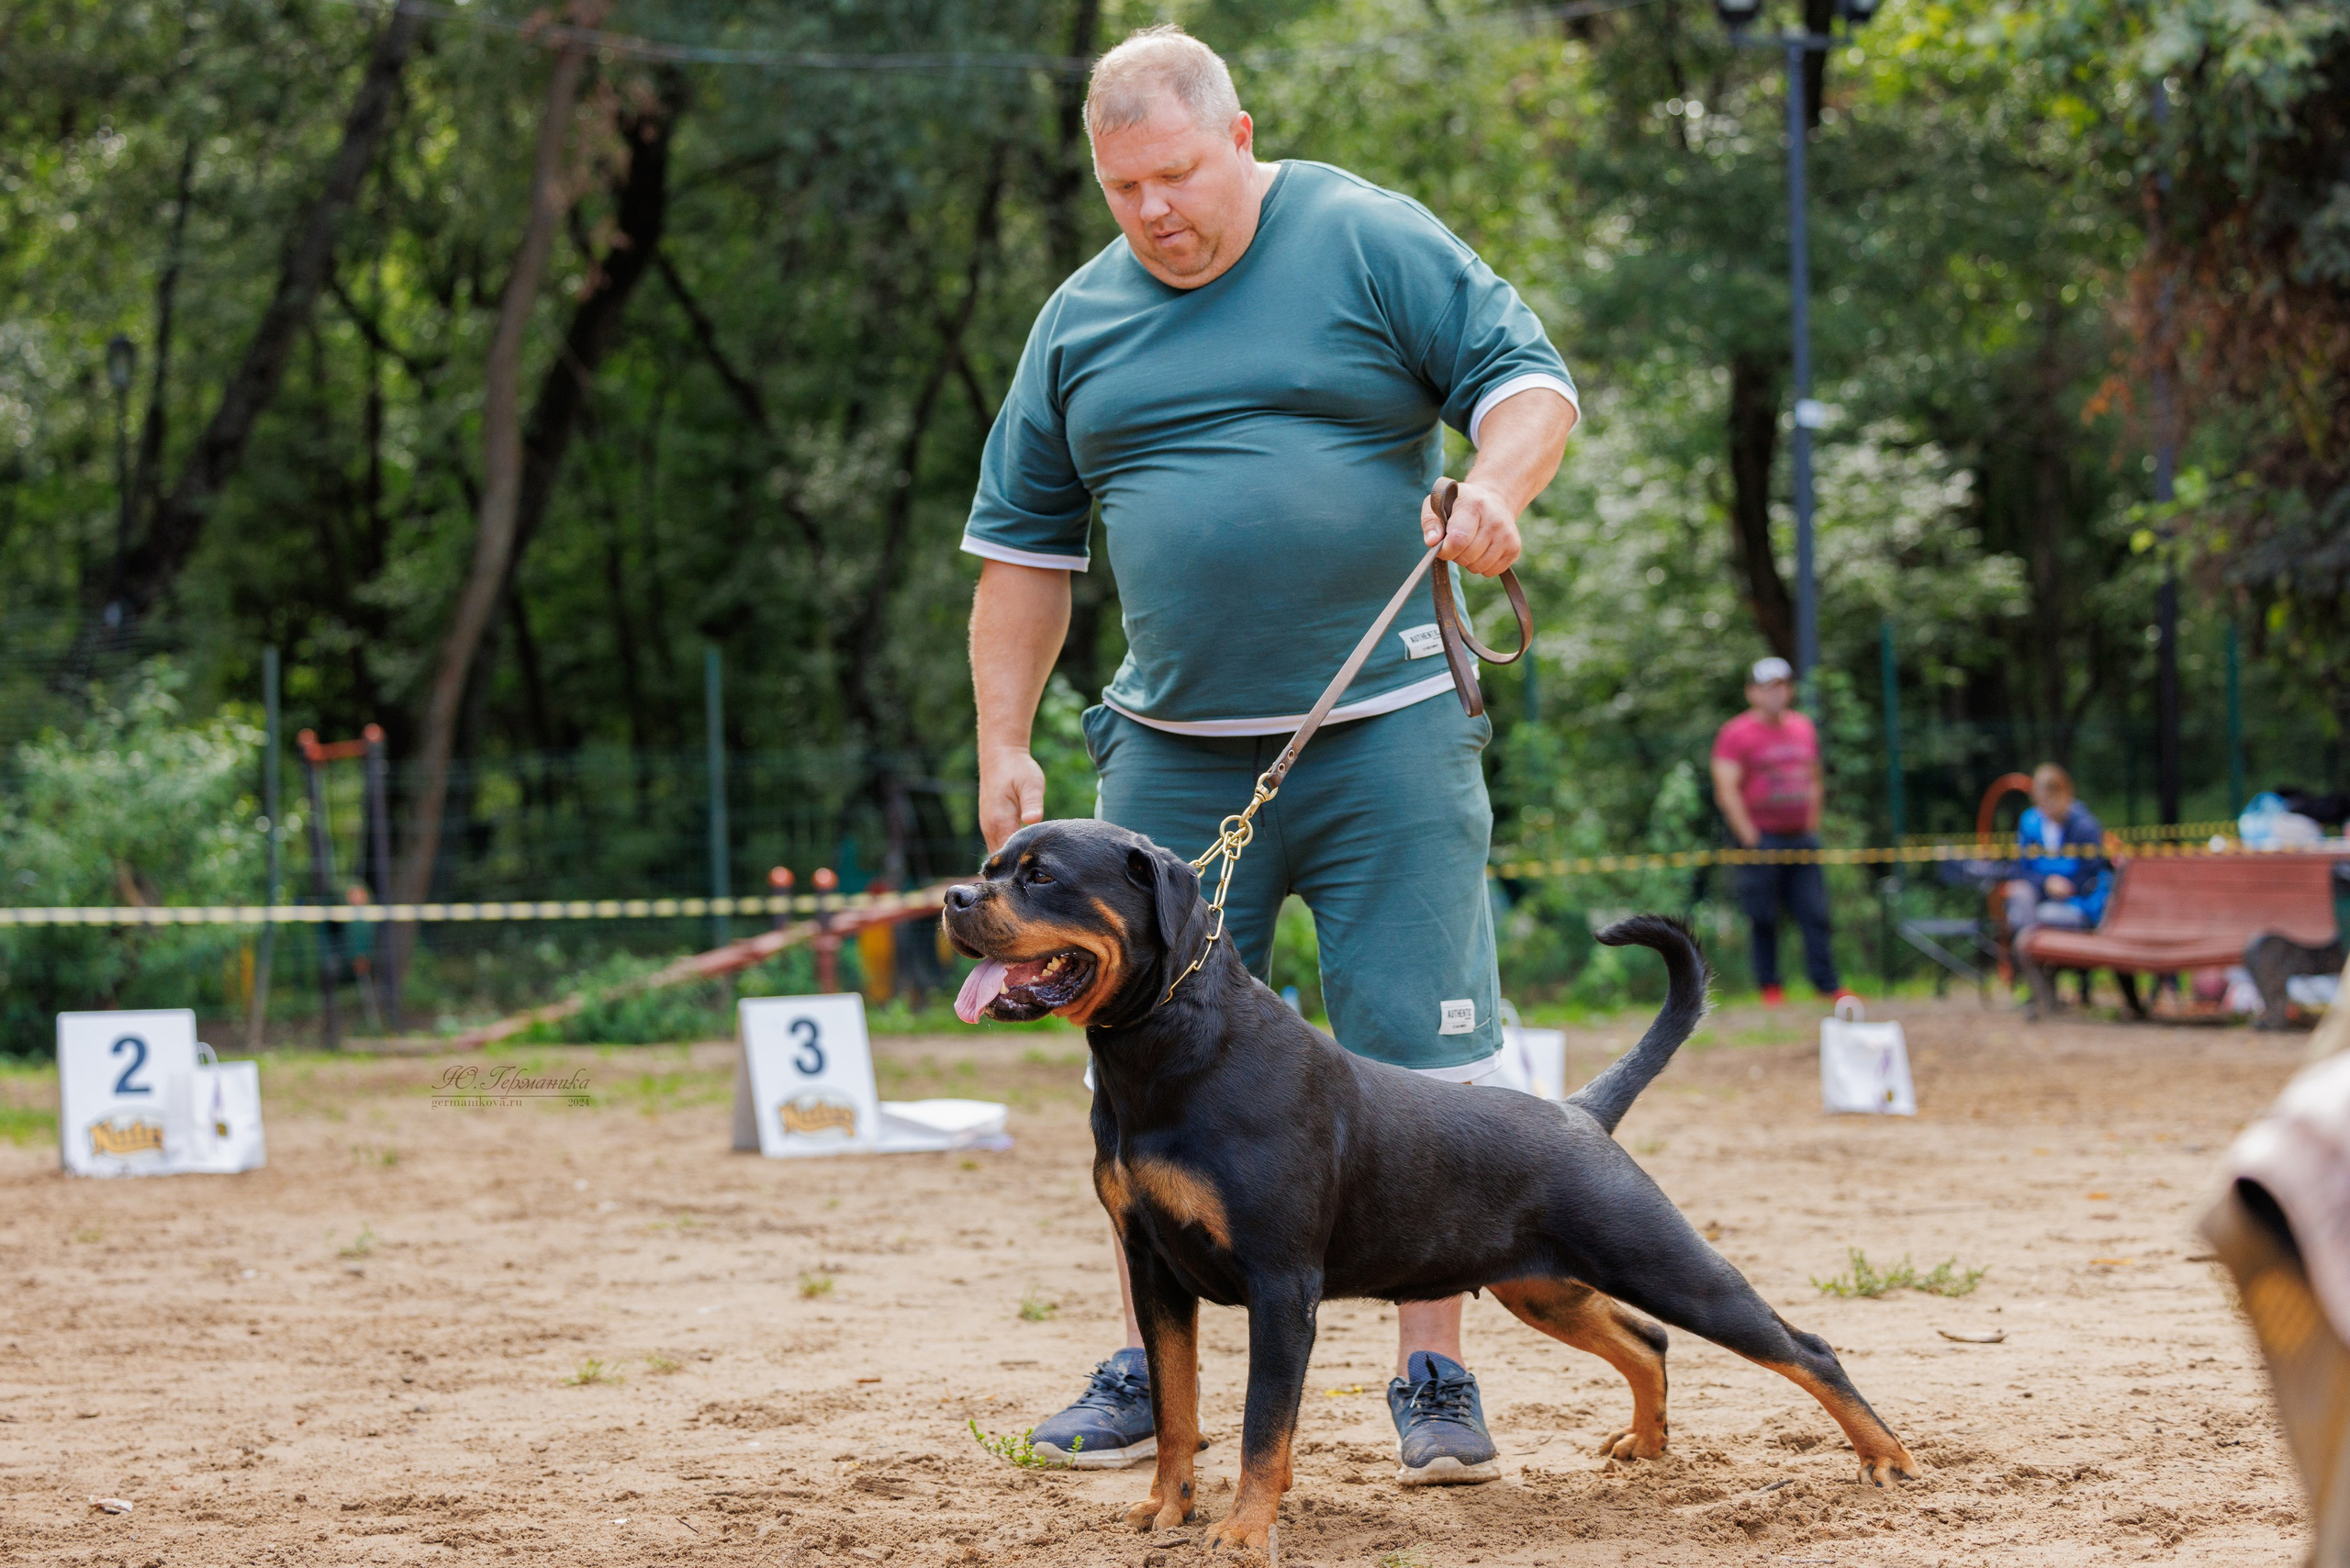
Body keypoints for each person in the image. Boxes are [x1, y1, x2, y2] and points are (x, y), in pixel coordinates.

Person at [961, 27, 1577, 1483]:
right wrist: (1001, 743)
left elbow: (1528, 380)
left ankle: (1434, 1375)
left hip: (1384, 734)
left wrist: (1494, 485)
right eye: (1125, 188)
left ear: (1240, 136)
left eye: (1178, 173)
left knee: (1428, 1056)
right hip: (1168, 764)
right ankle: (1148, 1361)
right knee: (1133, 1063)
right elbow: (1020, 556)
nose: (1157, 208)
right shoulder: (1079, 321)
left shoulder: (1364, 238)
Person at [1710, 656, 1847, 1006]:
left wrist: (1812, 824)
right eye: (1770, 687)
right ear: (1752, 693)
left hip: (1801, 837)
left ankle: (1827, 985)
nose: (1778, 693)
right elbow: (1726, 789)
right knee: (1764, 915)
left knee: (1815, 913)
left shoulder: (1803, 726)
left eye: (1783, 686)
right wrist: (1749, 835)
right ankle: (1770, 986)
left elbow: (1816, 779)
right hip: (1762, 839)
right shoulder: (1735, 733)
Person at [2003, 763, 2109, 934]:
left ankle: (2037, 951)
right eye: (2042, 800)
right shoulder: (2030, 822)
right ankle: (2026, 954)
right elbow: (2018, 869)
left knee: (2045, 914)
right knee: (2019, 895)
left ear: (2065, 793)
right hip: (2038, 896)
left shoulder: (2085, 827)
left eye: (2051, 798)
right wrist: (2046, 883)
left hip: (2077, 902)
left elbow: (2094, 873)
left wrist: (2066, 887)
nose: (2047, 807)